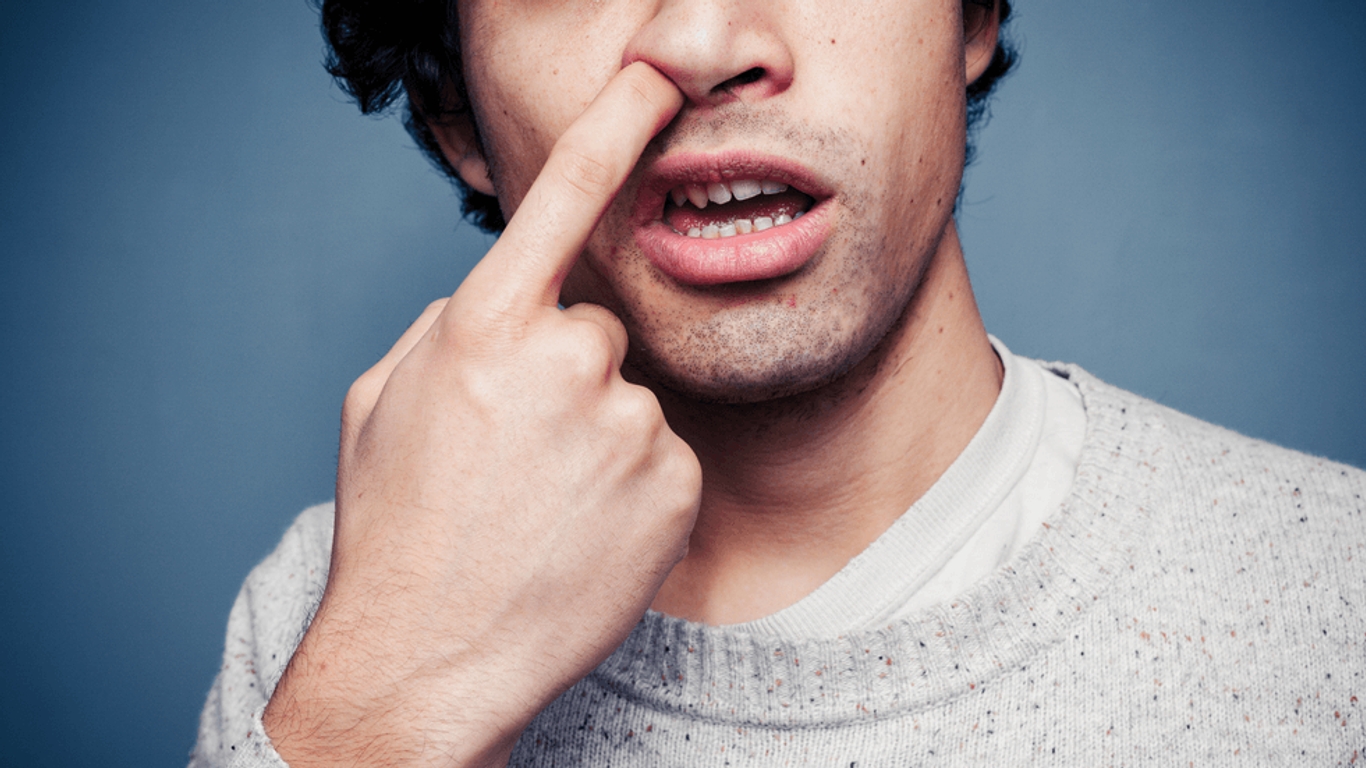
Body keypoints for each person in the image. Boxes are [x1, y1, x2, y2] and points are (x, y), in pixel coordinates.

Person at [190, 0, 1365, 765]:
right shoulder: (327, 620)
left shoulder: (1333, 596)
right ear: (457, 115)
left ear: (974, 14)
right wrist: (383, 699)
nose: (707, 42)